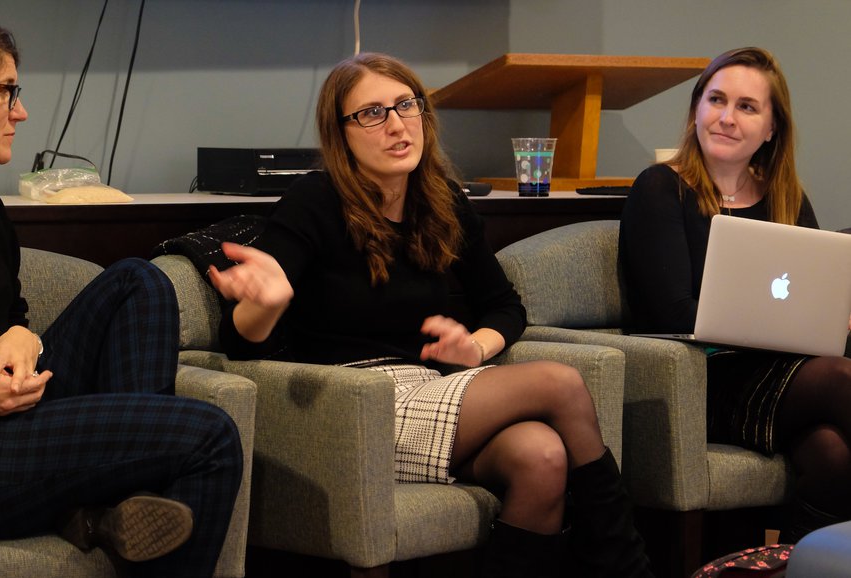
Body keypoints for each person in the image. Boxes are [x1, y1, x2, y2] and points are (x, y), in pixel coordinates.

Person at [208, 51, 653, 578]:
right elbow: (240, 344)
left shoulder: (442, 201)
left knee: (543, 458)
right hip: (354, 407)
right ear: (341, 132)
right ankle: (628, 568)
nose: (397, 124)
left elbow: (504, 305)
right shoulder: (315, 199)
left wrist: (477, 347)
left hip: (430, 388)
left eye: (406, 105)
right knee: (560, 382)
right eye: (372, 113)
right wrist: (267, 304)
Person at [0, 7, 242, 577]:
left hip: (2, 421)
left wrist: (19, 342)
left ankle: (107, 504)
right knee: (209, 436)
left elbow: (14, 317)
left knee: (139, 280)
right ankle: (106, 504)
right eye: (5, 91)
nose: (20, 112)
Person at [619, 46, 851, 543]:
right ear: (696, 110)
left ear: (771, 128)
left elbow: (814, 299)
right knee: (843, 379)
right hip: (701, 379)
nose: (726, 117)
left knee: (833, 455)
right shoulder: (660, 188)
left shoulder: (787, 195)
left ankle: (793, 569)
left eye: (747, 107)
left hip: (783, 376)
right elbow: (672, 312)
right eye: (716, 100)